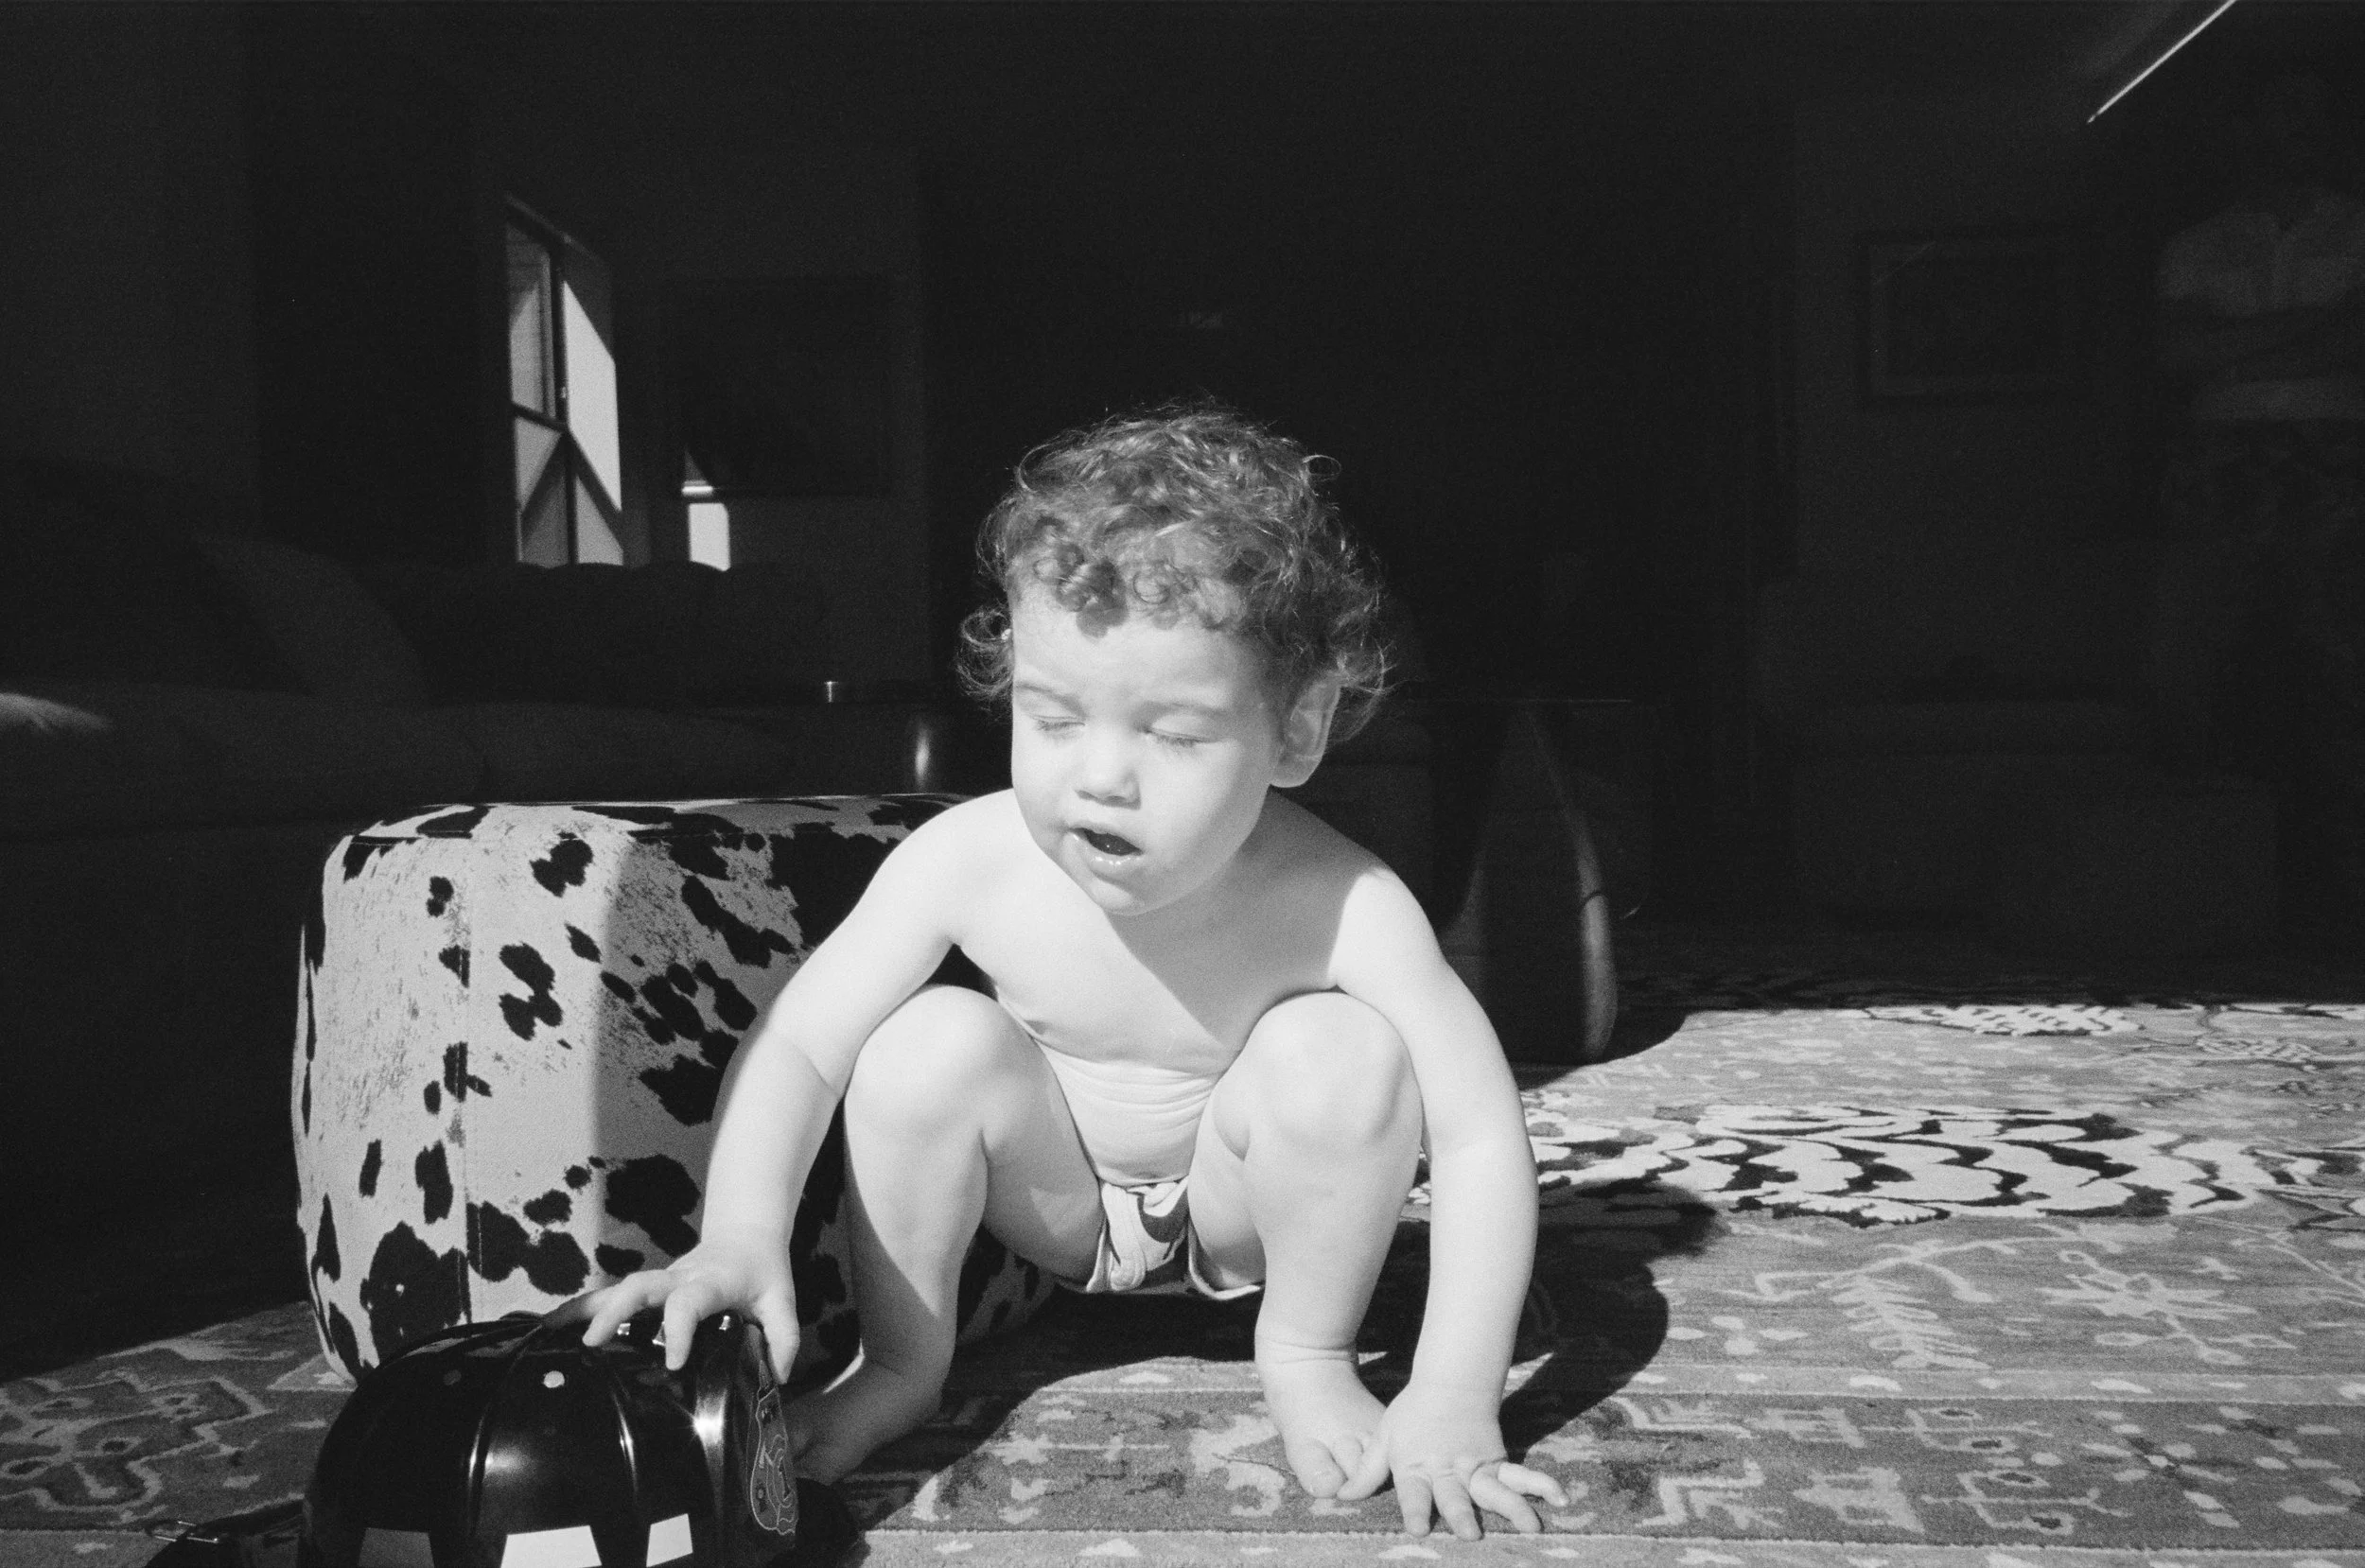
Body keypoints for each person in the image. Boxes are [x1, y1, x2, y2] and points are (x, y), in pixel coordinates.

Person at [575, 405, 1568, 1539]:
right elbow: (803, 1041)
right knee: (922, 1039)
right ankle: (901, 1363)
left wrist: (1451, 1389)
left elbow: (1478, 1130)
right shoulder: (968, 858)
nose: (1100, 777)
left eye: (1175, 733)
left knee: (1345, 1049)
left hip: (1241, 1212)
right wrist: (741, 1232)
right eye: (1051, 716)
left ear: (1296, 731)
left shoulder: (1345, 898)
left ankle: (1306, 1351)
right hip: (1053, 1204)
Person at [2151, 67, 2365, 920]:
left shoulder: (2357, 227)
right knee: (2202, 645)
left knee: (2341, 652)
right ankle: (2202, 869)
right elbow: (2179, 355)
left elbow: (2356, 344)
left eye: (2305, 117)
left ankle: (2344, 879)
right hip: (2223, 454)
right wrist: (2321, 324)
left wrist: (2235, 345)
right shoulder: (2195, 244)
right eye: (2274, 117)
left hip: (2335, 448)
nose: (2289, 136)